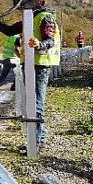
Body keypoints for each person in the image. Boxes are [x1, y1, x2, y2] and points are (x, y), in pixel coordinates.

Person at [28, 9, 61, 151]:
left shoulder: (44, 17)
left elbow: (50, 39)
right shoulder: (31, 18)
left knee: (37, 104)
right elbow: (10, 30)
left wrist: (40, 45)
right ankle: (37, 139)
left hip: (40, 66)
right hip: (32, 64)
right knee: (32, 103)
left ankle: (38, 140)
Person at [0, 30, 21, 97]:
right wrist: (21, 56)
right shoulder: (17, 37)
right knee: (19, 74)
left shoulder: (9, 37)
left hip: (6, 59)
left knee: (2, 76)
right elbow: (17, 49)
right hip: (14, 60)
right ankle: (14, 86)